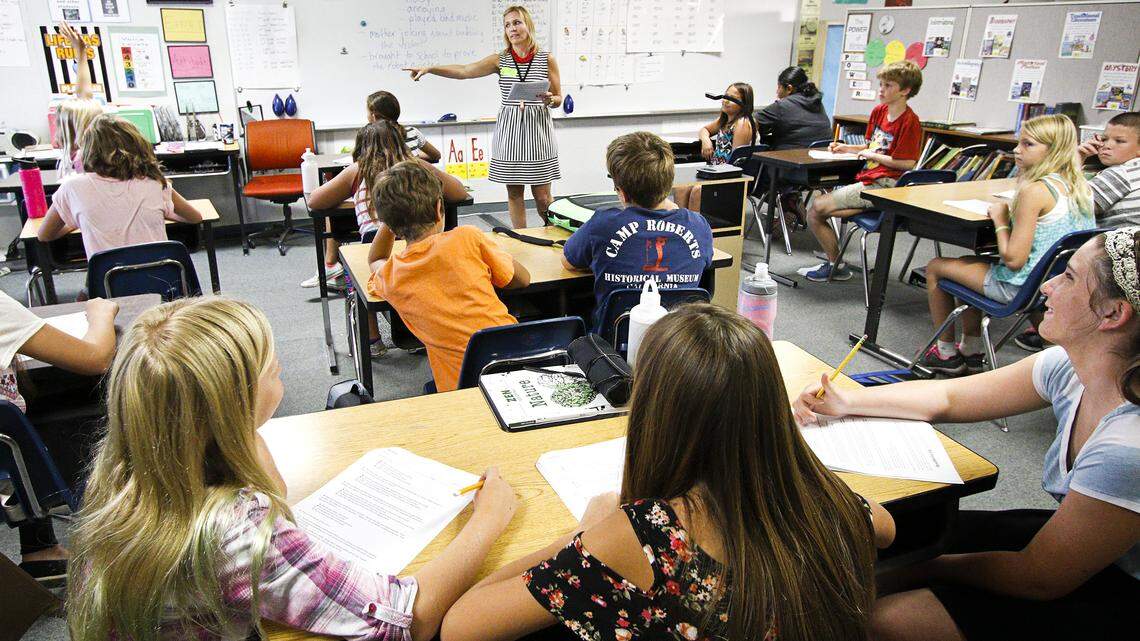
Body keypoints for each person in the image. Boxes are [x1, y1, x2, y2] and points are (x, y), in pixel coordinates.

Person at [66, 297, 519, 641]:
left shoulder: (118, 469)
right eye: (271, 370)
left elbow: (273, 487)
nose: (279, 365)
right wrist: (488, 520)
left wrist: (246, 435)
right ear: (232, 408)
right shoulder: (237, 531)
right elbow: (403, 620)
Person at [441, 304, 895, 641]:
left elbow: (460, 626)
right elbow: (886, 528)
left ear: (654, 414)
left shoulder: (648, 534)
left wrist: (582, 535)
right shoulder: (827, 500)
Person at [794, 227, 1140, 641]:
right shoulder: (1072, 367)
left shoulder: (1126, 447)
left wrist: (923, 567)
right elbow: (949, 396)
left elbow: (1039, 577)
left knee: (885, 616)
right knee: (883, 550)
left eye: (1067, 277)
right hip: (1083, 547)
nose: (1047, 286)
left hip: (1118, 587)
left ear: (1113, 314)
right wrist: (848, 402)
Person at [918, 114, 1096, 375]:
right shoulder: (1080, 187)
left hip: (1020, 288)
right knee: (968, 263)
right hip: (1054, 284)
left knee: (936, 266)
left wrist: (1001, 220)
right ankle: (970, 349)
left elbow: (1014, 260)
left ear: (1054, 150)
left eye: (1028, 144)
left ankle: (945, 353)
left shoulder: (1034, 191)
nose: (1017, 150)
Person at [367, 161, 530, 392]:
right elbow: (523, 279)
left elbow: (375, 259)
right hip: (520, 368)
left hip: (462, 389)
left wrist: (391, 220)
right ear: (438, 208)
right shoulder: (468, 237)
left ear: (391, 227)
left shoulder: (393, 274)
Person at [405, 5, 562, 229]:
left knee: (543, 197)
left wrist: (550, 100)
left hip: (538, 131)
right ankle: (520, 238)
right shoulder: (500, 59)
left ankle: (552, 234)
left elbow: (558, 97)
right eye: (507, 25)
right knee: (514, 193)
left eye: (517, 22)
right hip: (510, 131)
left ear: (528, 24)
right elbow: (464, 71)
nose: (512, 28)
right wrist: (431, 69)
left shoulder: (546, 59)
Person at [0, 292, 118, 583]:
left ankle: (40, 549)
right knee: (88, 403)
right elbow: (96, 358)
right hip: (14, 472)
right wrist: (101, 313)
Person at [561, 132, 713, 328]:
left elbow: (568, 262)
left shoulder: (602, 224)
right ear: (668, 183)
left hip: (616, 342)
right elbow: (705, 262)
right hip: (675, 340)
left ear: (622, 194)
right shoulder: (699, 226)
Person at [1016, 111, 1140, 352]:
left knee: (1033, 252)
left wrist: (1078, 157)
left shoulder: (1121, 174)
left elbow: (1068, 204)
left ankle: (1052, 325)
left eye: (1119, 141)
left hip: (1103, 260)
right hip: (1129, 259)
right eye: (1104, 139)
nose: (1107, 146)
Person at [800, 60, 924, 282]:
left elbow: (907, 163)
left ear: (905, 91)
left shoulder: (910, 122)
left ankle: (836, 264)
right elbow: (872, 146)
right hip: (870, 179)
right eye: (881, 84)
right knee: (818, 210)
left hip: (887, 185)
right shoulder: (879, 112)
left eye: (888, 86)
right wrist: (847, 148)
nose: (881, 90)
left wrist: (872, 156)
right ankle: (837, 260)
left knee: (817, 207)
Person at [37, 115, 203, 259]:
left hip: (108, 282)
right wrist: (165, 212)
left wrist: (74, 223)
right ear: (138, 145)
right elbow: (195, 217)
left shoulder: (72, 188)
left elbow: (44, 235)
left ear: (88, 149)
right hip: (160, 278)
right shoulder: (155, 182)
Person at [674, 82, 756, 212]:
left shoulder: (743, 123)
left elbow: (735, 163)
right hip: (715, 173)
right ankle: (682, 223)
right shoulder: (725, 120)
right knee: (681, 188)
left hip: (729, 177)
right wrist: (706, 141)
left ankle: (695, 225)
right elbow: (704, 130)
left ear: (744, 103)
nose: (726, 101)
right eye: (726, 96)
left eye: (732, 98)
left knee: (697, 190)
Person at [54, 22, 102, 178]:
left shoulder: (83, 162)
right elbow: (85, 98)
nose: (56, 133)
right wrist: (80, 52)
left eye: (59, 126)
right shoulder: (92, 153)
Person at [756, 66, 833, 151]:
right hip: (821, 156)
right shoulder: (817, 102)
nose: (777, 92)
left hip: (791, 156)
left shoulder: (782, 105)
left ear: (789, 88)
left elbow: (751, 122)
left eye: (779, 87)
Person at [366, 90, 442, 163]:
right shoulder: (412, 132)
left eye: (368, 112)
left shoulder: (369, 138)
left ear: (373, 116)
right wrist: (413, 157)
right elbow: (436, 155)